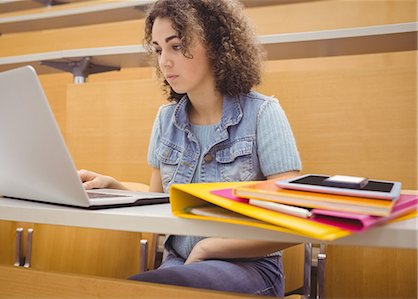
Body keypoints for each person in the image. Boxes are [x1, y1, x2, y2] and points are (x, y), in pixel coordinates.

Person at [78, 0, 301, 296]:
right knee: (133, 291)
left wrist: (209, 247)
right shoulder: (165, 119)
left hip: (249, 269)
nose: (164, 61)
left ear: (216, 45)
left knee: (140, 290)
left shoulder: (263, 113)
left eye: (176, 45)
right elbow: (158, 199)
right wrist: (114, 185)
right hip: (180, 263)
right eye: (158, 49)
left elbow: (295, 219)